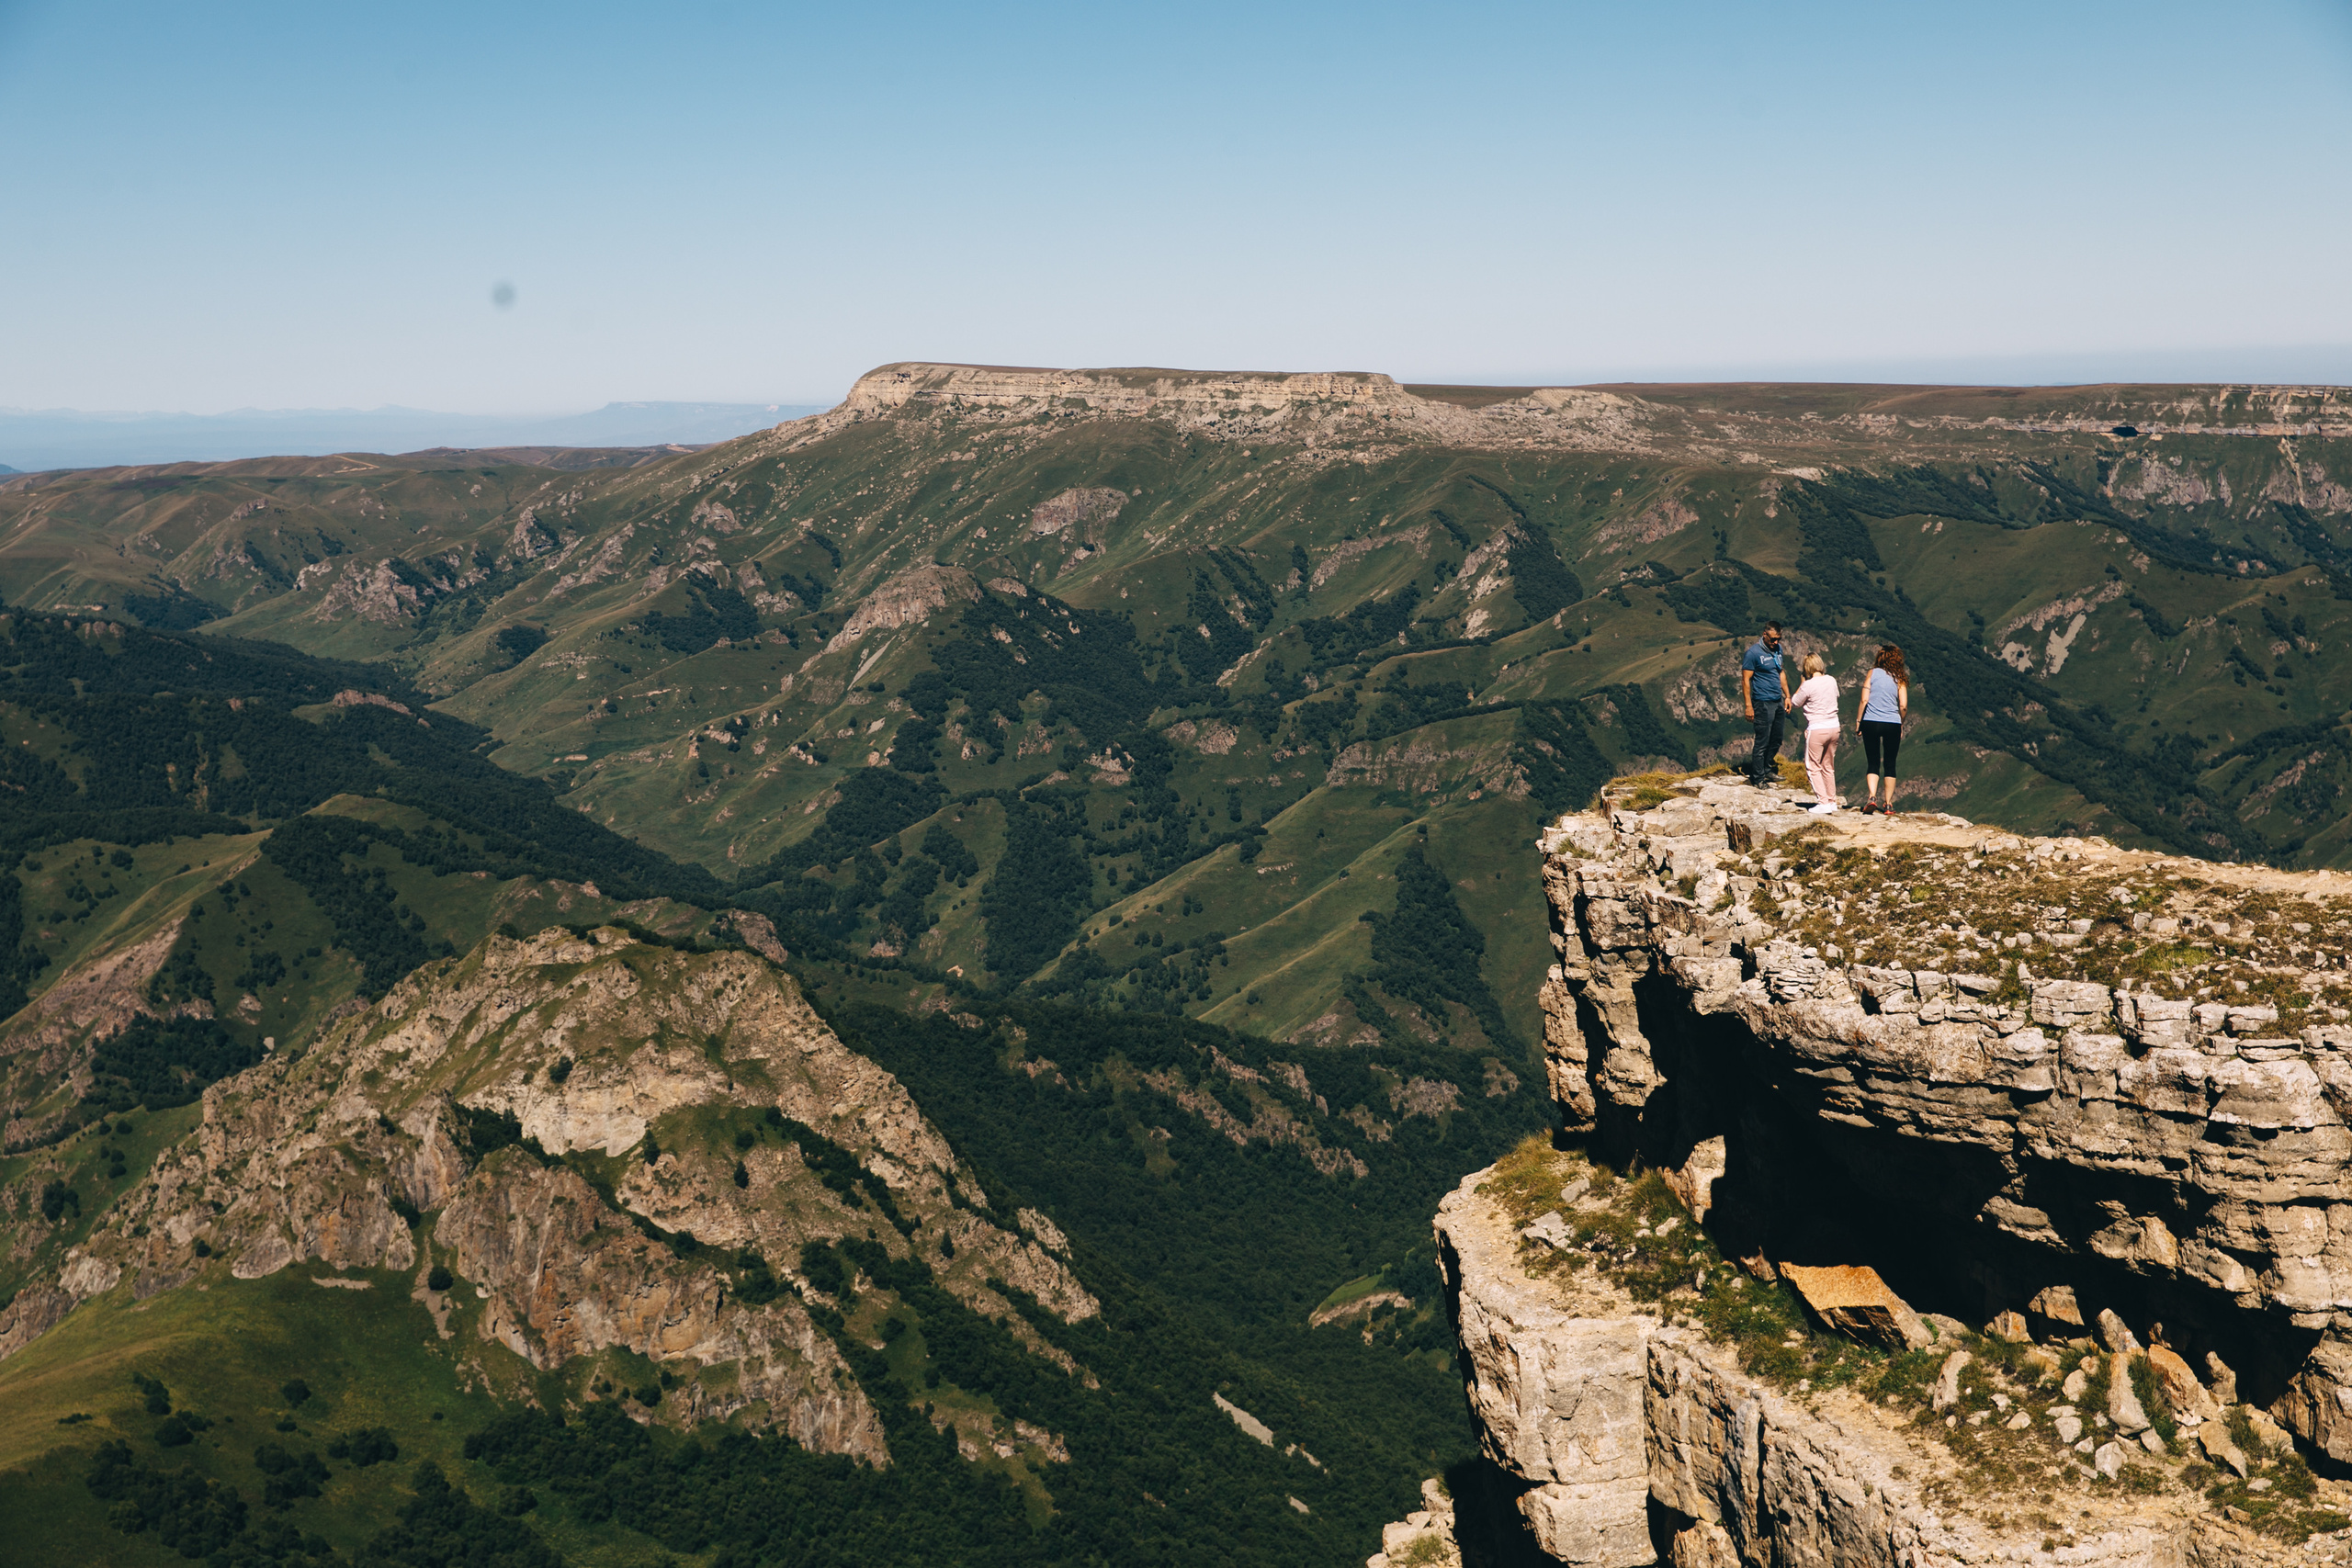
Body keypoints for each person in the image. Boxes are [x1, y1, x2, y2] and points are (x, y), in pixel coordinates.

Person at [1857, 644, 1908, 814]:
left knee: (1873, 761)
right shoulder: (1900, 678)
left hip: (1870, 721)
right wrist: (1900, 723)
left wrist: (1859, 722)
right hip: (1892, 723)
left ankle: (1872, 797)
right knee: (1890, 763)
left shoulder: (1872, 673)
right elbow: (1903, 705)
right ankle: (1888, 804)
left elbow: (1864, 700)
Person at [1788, 653, 1843, 814]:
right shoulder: (1831, 680)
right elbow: (1836, 695)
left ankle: (1823, 802)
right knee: (1828, 766)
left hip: (1817, 728)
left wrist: (1801, 684)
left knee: (1813, 766)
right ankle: (1832, 801)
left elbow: (1795, 702)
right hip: (1834, 727)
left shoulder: (1808, 685)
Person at [1739, 621, 1791, 786]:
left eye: (1779, 639)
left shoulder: (1778, 649)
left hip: (1777, 700)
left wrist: (1787, 696)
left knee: (1777, 739)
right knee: (1762, 741)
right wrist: (1749, 706)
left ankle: (1767, 769)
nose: (1776, 642)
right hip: (1762, 702)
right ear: (1765, 635)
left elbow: (1780, 672)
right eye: (1773, 639)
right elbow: (1746, 680)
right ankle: (1758, 778)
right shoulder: (1753, 653)